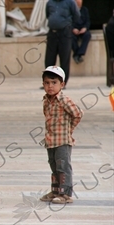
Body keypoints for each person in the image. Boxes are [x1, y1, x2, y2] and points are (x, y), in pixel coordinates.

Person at [39, 66, 83, 204]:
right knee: (54, 166)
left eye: (54, 83)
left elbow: (77, 114)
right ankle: (56, 190)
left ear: (62, 84)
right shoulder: (46, 101)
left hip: (63, 140)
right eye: (47, 83)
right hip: (51, 140)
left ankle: (65, 193)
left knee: (63, 166)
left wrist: (69, 130)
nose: (50, 86)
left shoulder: (64, 100)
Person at [44, 0, 80, 87]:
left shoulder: (70, 2)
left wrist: (69, 26)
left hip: (65, 34)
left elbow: (77, 15)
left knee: (64, 59)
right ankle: (49, 83)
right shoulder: (49, 3)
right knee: (49, 59)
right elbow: (48, 15)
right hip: (52, 34)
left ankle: (62, 83)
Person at [72, 0, 91, 64]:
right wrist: (73, 29)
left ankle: (79, 54)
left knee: (87, 35)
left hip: (82, 28)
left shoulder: (85, 10)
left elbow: (88, 21)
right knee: (71, 37)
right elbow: (68, 21)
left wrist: (85, 28)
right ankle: (77, 53)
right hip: (74, 29)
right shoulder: (71, 10)